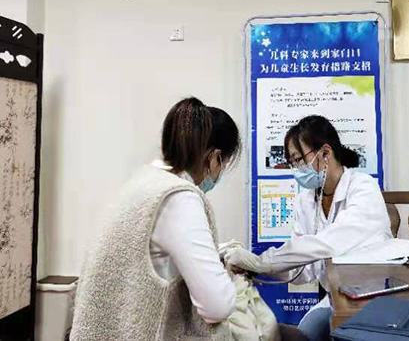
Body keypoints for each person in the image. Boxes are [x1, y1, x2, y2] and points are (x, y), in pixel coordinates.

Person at [71, 97, 241, 341]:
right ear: (214, 158)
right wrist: (229, 277)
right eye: (223, 164)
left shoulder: (143, 182)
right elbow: (217, 305)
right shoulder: (180, 198)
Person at [225, 115, 392, 341]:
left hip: (371, 300)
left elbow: (327, 244)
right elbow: (302, 268)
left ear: (325, 152)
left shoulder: (364, 189)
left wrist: (265, 262)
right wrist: (255, 268)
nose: (296, 169)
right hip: (333, 300)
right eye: (292, 163)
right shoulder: (307, 198)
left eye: (298, 160)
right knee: (293, 334)